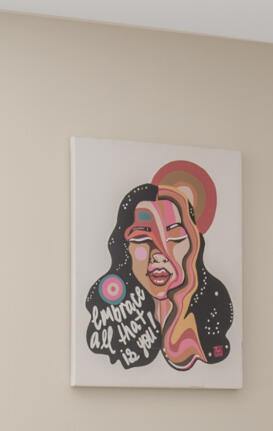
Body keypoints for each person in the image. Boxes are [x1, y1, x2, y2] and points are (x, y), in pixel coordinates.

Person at [82, 158, 231, 370]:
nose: (159, 255)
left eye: (175, 238)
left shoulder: (212, 313)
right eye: (142, 238)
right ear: (125, 248)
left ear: (192, 246)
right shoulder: (111, 313)